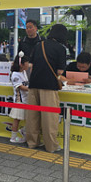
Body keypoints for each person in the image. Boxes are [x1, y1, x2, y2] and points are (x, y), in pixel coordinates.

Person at [26, 24, 68, 153]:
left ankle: (32, 142)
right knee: (49, 118)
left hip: (33, 84)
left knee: (32, 116)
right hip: (49, 86)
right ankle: (51, 146)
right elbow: (59, 71)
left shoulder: (39, 45)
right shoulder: (60, 49)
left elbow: (30, 66)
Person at [9, 51, 29, 143]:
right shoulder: (15, 74)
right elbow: (20, 86)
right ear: (21, 64)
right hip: (19, 100)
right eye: (27, 63)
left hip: (26, 99)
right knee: (17, 119)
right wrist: (31, 89)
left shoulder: (24, 72)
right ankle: (13, 137)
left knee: (29, 118)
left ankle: (23, 131)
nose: (28, 64)